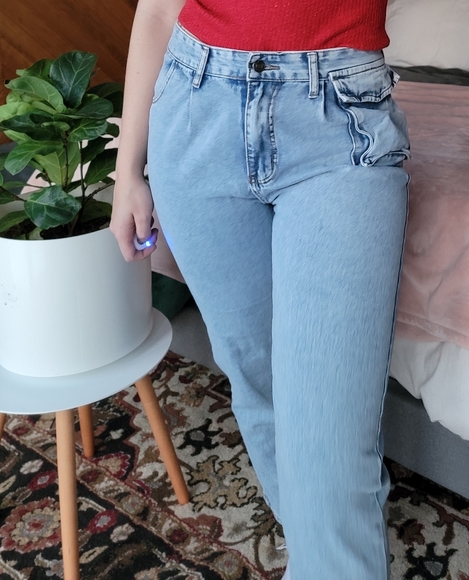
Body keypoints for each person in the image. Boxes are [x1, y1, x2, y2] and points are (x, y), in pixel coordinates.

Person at [111, 1, 410, 578]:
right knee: (257, 379)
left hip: (339, 114)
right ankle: (310, 548)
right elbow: (158, 10)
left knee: (328, 444)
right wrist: (128, 172)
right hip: (195, 103)